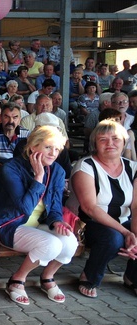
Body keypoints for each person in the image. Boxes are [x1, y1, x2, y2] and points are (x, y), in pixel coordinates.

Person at [0, 126, 77, 306]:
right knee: (51, 244)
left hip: (40, 224)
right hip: (10, 225)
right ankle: (17, 280)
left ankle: (47, 276)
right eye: (48, 147)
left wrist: (58, 221)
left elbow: (56, 205)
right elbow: (25, 208)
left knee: (69, 242)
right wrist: (39, 177)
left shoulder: (57, 171)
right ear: (34, 147)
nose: (53, 153)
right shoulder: (11, 168)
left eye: (57, 149)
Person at [69, 120, 137, 298]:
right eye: (103, 139)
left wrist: (134, 235)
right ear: (94, 144)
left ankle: (133, 277)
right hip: (92, 223)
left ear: (124, 142)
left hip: (125, 221)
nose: (110, 144)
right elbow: (89, 207)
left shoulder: (133, 167)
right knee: (113, 239)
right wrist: (125, 232)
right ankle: (90, 276)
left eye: (115, 139)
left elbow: (136, 206)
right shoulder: (86, 166)